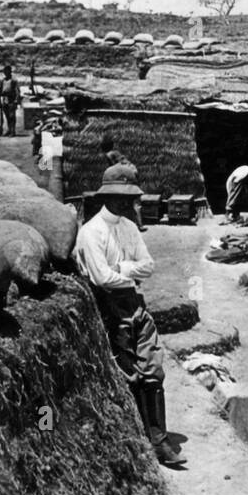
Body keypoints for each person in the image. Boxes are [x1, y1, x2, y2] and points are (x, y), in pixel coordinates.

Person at [74, 164, 186, 467]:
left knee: (153, 371)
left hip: (136, 304)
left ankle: (159, 439)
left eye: (130, 197)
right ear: (106, 196)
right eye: (120, 197)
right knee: (129, 375)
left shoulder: (130, 228)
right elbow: (101, 279)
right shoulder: (91, 233)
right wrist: (129, 273)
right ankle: (137, 438)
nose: (127, 203)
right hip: (110, 310)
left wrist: (124, 270)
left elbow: (148, 265)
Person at [0, 65, 21, 136]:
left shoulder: (13, 80)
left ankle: (13, 131)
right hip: (5, 100)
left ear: (10, 72)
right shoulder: (3, 80)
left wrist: (16, 100)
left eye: (7, 71)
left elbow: (17, 91)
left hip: (12, 100)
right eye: (4, 71)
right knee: (7, 116)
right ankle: (9, 130)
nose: (5, 73)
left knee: (12, 116)